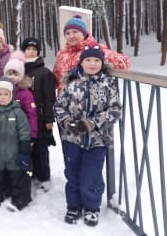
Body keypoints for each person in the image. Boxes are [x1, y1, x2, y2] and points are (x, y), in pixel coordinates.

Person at [53, 43, 122, 226]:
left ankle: (92, 207)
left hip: (98, 140)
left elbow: (115, 110)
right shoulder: (71, 83)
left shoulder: (108, 83)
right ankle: (73, 206)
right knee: (73, 174)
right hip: (72, 139)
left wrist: (92, 123)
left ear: (102, 62)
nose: (92, 63)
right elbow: (59, 106)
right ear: (81, 63)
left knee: (91, 175)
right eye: (88, 60)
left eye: (96, 60)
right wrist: (67, 121)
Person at [0, 76, 32, 212]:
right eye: (0, 94)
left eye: (6, 94)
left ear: (12, 95)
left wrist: (24, 152)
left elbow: (24, 133)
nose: (3, 97)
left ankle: (19, 199)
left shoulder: (18, 113)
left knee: (17, 178)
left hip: (14, 155)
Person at [53, 15, 131, 94]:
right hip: (64, 101)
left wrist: (101, 59)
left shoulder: (95, 49)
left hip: (88, 100)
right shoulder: (62, 54)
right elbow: (55, 79)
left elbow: (124, 62)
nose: (71, 36)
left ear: (84, 33)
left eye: (75, 32)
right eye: (67, 33)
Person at [21, 37, 56, 192]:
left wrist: (49, 118)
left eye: (34, 49)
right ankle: (30, 174)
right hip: (24, 118)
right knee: (27, 148)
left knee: (41, 148)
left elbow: (50, 97)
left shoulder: (44, 72)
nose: (31, 52)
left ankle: (43, 177)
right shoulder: (19, 70)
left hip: (41, 117)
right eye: (28, 49)